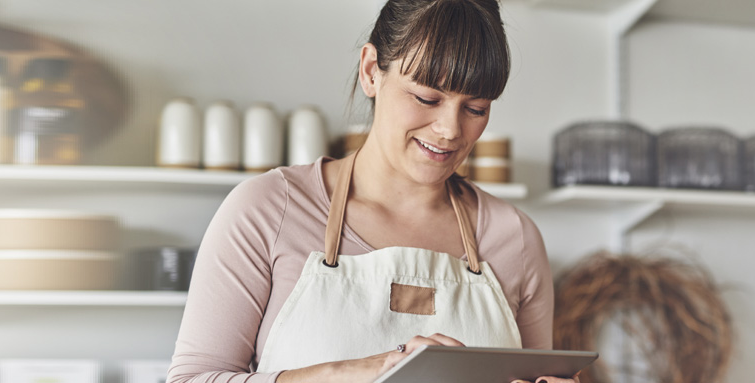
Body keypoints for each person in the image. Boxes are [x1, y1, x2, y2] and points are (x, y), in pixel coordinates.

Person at [167, 1, 572, 382]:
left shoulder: (514, 238)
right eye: (426, 98)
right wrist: (351, 373)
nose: (450, 130)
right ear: (371, 71)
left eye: (476, 108)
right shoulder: (268, 210)